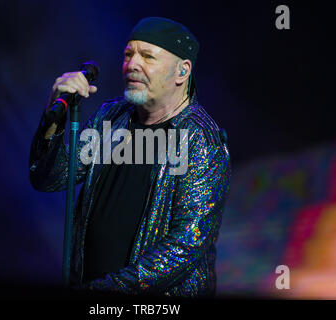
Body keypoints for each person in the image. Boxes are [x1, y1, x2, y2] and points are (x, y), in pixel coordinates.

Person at [29, 17, 231, 297]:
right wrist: (55, 114)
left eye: (147, 56)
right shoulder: (110, 118)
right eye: (128, 54)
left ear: (182, 71)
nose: (131, 64)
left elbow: (185, 246)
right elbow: (48, 177)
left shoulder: (199, 139)